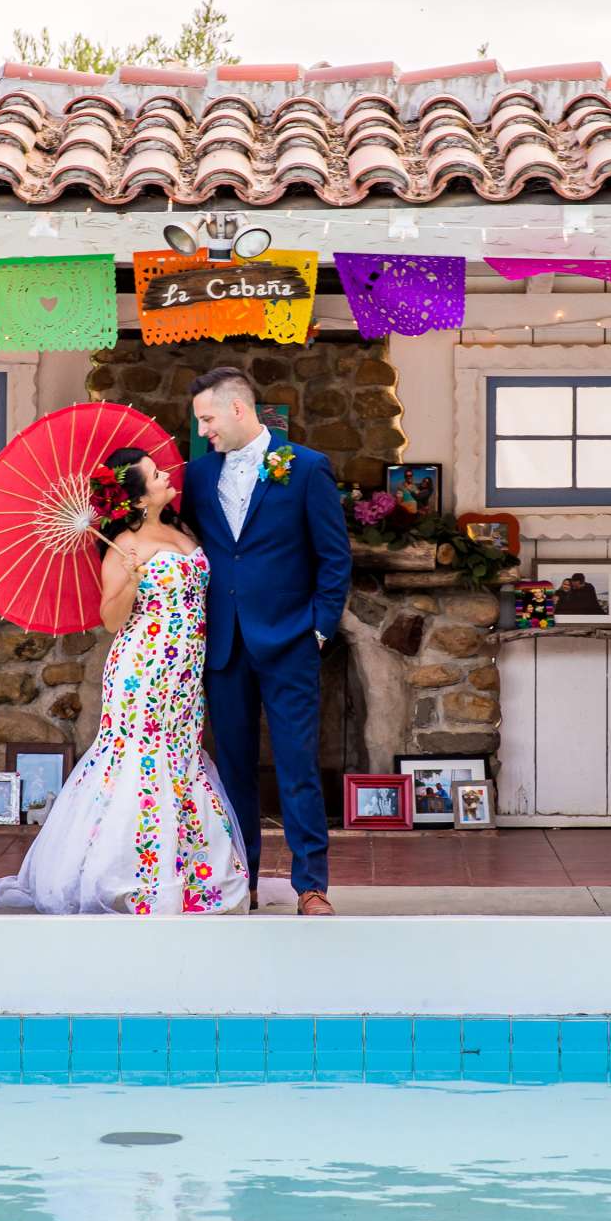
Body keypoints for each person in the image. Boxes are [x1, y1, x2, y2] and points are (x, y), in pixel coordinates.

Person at [0, 448, 249, 917]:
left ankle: (191, 875)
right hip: (143, 669)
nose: (166, 475)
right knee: (140, 760)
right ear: (136, 496)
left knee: (180, 757)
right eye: (155, 474)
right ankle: (133, 874)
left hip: (186, 672)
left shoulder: (183, 529)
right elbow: (111, 619)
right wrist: (128, 580)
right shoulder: (123, 546)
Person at [183, 366, 353, 916]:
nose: (203, 430)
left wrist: (319, 630)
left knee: (297, 765)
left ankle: (311, 885)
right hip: (223, 647)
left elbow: (334, 558)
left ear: (238, 408)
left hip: (290, 643)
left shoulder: (305, 468)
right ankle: (242, 881)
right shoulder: (196, 477)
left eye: (207, 418)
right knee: (232, 770)